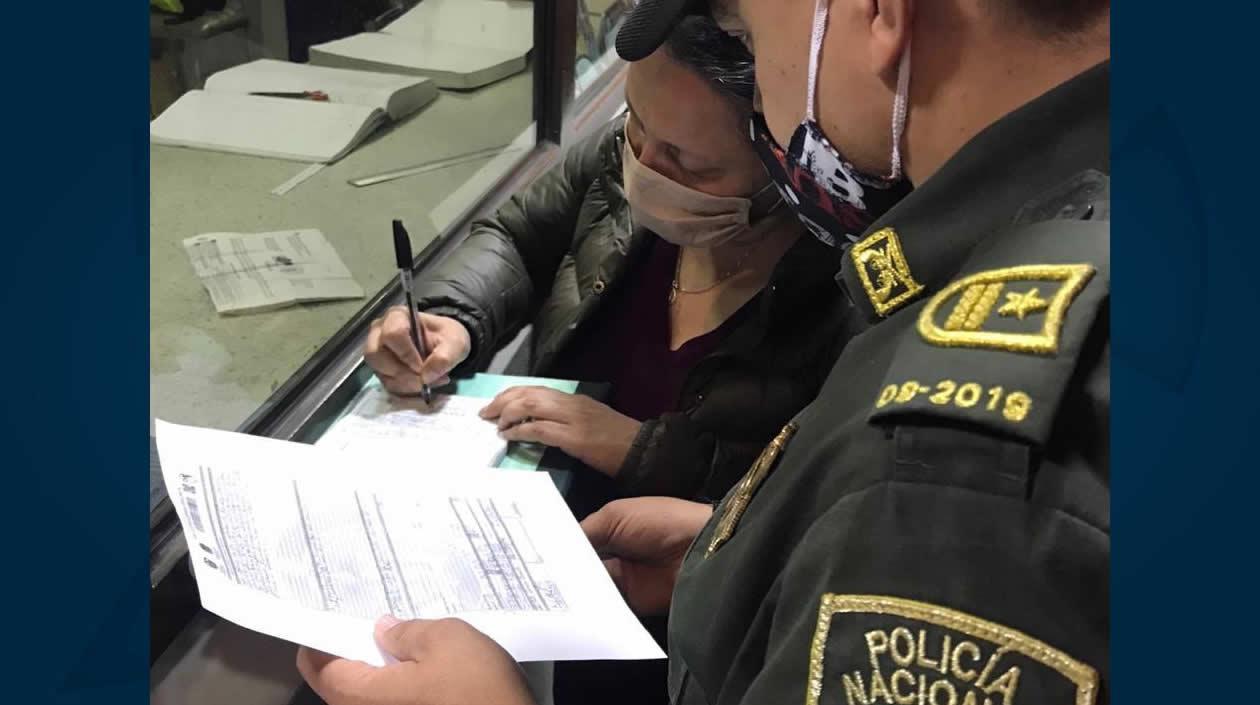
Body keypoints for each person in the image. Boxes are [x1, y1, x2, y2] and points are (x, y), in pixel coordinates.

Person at [298, 1, 1112, 703]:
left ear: (881, 12)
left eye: (751, 28)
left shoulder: (961, 453)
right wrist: (750, 552)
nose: (768, 90)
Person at [362, 14, 848, 505]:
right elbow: (519, 237)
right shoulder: (623, 150)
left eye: (688, 163)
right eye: (636, 119)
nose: (644, 167)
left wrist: (641, 451)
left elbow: (813, 505)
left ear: (792, 170)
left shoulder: (846, 296)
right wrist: (452, 317)